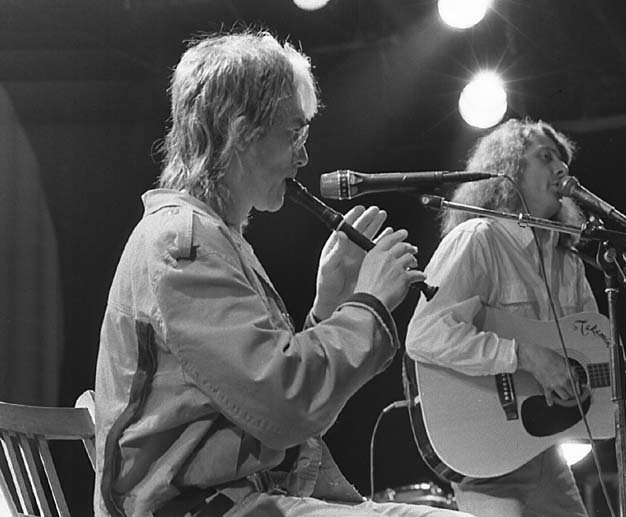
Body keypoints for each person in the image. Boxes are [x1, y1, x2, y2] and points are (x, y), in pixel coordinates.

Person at [93, 29, 476, 517]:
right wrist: (369, 304)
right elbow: (282, 404)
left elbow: (263, 397)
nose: (304, 154)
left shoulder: (210, 236)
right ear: (240, 131)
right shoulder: (181, 245)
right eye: (293, 132)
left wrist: (329, 306)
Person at [405, 118, 626, 517]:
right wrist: (527, 356)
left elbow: (601, 379)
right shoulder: (479, 239)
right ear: (508, 168)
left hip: (543, 455)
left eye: (563, 159)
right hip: (486, 451)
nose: (561, 168)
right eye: (545, 158)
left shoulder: (569, 260)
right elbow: (424, 334)